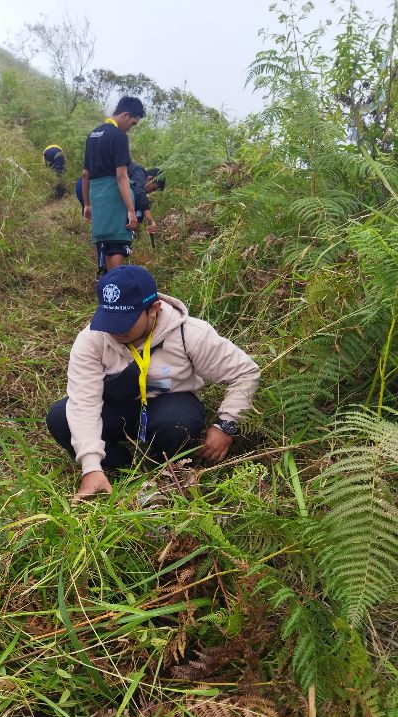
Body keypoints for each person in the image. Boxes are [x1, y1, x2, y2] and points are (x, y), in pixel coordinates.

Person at [46, 266, 260, 501]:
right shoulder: (92, 339)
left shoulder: (190, 334)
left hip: (171, 401)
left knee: (177, 424)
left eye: (125, 321)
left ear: (153, 309)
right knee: (60, 416)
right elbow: (84, 402)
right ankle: (117, 469)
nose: (115, 329)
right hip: (119, 404)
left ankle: (165, 468)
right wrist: (90, 466)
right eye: (110, 319)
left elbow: (245, 372)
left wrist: (225, 425)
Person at [82, 96, 145, 274]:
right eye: (133, 123)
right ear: (125, 115)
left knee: (106, 244)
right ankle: (117, 291)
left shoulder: (93, 134)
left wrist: (87, 204)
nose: (130, 129)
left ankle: (111, 287)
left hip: (97, 197)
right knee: (117, 245)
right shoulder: (119, 136)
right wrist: (131, 210)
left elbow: (85, 173)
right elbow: (121, 176)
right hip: (115, 197)